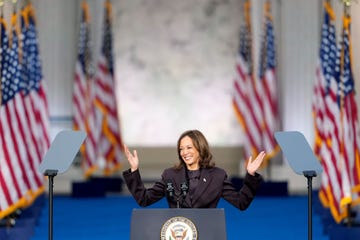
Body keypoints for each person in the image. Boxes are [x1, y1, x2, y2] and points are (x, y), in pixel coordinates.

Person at [122, 129, 265, 210]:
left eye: (189, 147)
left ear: (200, 148)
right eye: (181, 149)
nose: (185, 152)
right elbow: (144, 200)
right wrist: (134, 170)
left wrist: (251, 175)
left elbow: (241, 202)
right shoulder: (170, 175)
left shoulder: (218, 176)